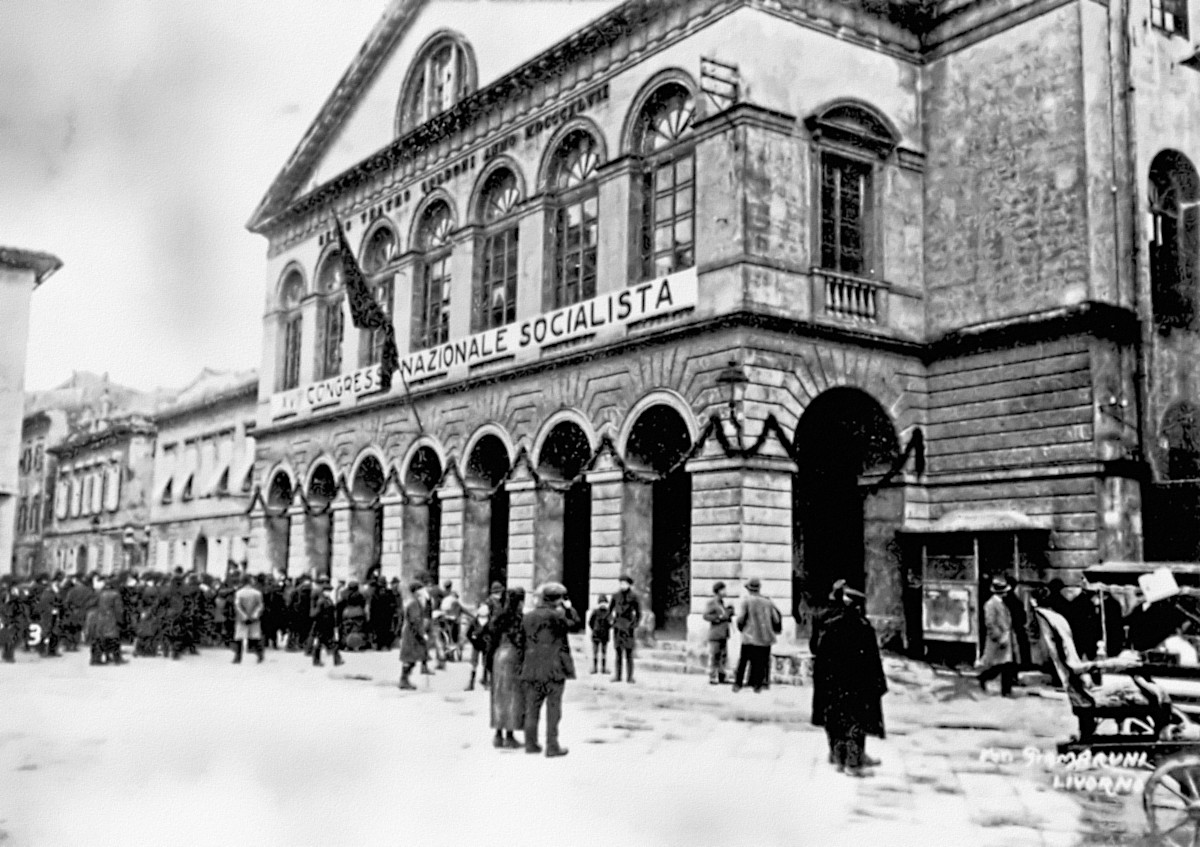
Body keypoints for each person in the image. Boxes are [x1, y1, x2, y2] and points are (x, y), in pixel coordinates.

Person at [811, 585, 887, 776]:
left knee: (836, 719)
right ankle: (853, 763)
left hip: (830, 682)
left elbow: (815, 649)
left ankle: (839, 756)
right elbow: (872, 659)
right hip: (856, 683)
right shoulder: (862, 626)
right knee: (856, 721)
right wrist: (878, 684)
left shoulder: (826, 622)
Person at [521, 582, 581, 757]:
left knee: (532, 708)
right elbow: (575, 625)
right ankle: (552, 746)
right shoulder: (558, 617)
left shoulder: (528, 617)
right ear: (559, 600)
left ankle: (530, 744)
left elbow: (521, 640)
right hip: (554, 669)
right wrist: (570, 609)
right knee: (553, 709)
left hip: (532, 668)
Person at [488, 588, 526, 748]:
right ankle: (510, 735)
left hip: (498, 656)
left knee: (498, 695)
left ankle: (497, 735)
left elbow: (490, 636)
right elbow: (521, 640)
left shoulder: (499, 617)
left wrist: (489, 661)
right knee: (513, 696)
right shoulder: (518, 618)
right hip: (513, 657)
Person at [733, 577, 782, 692]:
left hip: (749, 636)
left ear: (749, 589)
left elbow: (741, 619)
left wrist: (742, 629)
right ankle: (758, 685)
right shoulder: (768, 602)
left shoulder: (747, 601)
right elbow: (776, 619)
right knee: (761, 662)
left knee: (743, 661)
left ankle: (738, 684)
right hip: (765, 638)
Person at [979, 575, 1019, 696]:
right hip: (997, 640)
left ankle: (1006, 691)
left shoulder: (1001, 603)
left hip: (1005, 637)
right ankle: (984, 677)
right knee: (998, 666)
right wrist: (999, 637)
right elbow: (990, 623)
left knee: (1006, 665)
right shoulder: (991, 604)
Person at [608, 574, 641, 683]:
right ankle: (618, 676)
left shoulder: (634, 596)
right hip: (618, 627)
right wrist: (611, 622)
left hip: (628, 627)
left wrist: (634, 624)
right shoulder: (615, 596)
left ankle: (629, 677)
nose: (622, 585)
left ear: (629, 585)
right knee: (618, 653)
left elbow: (638, 613)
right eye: (621, 583)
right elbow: (609, 610)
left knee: (629, 653)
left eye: (624, 583)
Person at [85, 578, 125, 666]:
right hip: (111, 618)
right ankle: (116, 658)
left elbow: (90, 604)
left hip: (99, 618)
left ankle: (95, 658)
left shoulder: (99, 593)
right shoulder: (115, 594)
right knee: (114, 639)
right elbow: (118, 609)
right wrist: (120, 620)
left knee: (98, 639)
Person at [398, 580, 428, 689]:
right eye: (421, 589)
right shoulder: (414, 604)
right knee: (409, 659)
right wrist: (422, 634)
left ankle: (404, 680)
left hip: (411, 634)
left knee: (412, 658)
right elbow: (415, 620)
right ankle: (403, 680)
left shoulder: (416, 602)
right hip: (411, 635)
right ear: (416, 591)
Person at [703, 582, 735, 685]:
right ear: (718, 591)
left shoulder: (722, 603)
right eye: (723, 590)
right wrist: (718, 618)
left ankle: (722, 676)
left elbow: (726, 615)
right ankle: (712, 676)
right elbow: (706, 616)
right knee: (714, 656)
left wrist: (730, 612)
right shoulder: (712, 603)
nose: (725, 592)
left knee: (723, 656)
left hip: (723, 634)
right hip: (715, 634)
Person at [310, 576, 343, 667]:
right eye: (328, 591)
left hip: (327, 626)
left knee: (324, 644)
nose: (329, 592)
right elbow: (316, 613)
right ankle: (336, 660)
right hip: (322, 626)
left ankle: (336, 660)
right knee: (324, 644)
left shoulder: (328, 600)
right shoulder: (322, 601)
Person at [233, 573, 265, 664]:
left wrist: (243, 615)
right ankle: (260, 656)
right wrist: (255, 614)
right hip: (254, 618)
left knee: (239, 638)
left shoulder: (239, 593)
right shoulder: (257, 593)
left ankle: (237, 657)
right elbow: (260, 605)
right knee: (256, 637)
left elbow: (237, 606)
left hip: (242, 618)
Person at [465, 602, 492, 691]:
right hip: (482, 645)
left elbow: (468, 634)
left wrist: (473, 640)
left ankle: (474, 683)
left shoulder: (475, 621)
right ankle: (481, 681)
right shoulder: (489, 622)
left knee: (478, 664)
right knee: (482, 663)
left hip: (479, 645)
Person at [587, 594, 611, 675]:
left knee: (604, 653)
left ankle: (603, 669)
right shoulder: (595, 612)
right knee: (595, 652)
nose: (603, 604)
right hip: (596, 635)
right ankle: (595, 668)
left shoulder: (608, 612)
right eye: (601, 602)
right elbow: (590, 622)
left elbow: (610, 623)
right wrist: (594, 629)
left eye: (604, 602)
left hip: (604, 635)